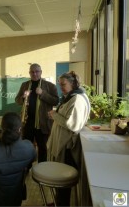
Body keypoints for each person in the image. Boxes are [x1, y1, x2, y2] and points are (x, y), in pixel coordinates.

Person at [47, 71, 90, 206]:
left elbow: (73, 124)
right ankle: (58, 202)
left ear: (72, 83)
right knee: (62, 180)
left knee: (63, 180)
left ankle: (61, 204)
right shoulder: (71, 96)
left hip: (67, 147)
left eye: (63, 84)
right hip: (64, 145)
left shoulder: (77, 99)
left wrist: (54, 115)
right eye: (60, 85)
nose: (61, 87)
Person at [15, 63, 59, 162]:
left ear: (41, 72)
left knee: (43, 148)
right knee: (27, 148)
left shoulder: (50, 86)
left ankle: (42, 168)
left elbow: (56, 101)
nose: (35, 74)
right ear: (29, 73)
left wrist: (42, 93)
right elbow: (17, 100)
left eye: (37, 71)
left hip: (43, 124)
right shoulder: (25, 85)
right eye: (32, 72)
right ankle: (27, 167)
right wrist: (22, 97)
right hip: (27, 123)